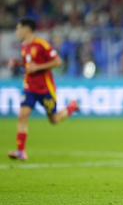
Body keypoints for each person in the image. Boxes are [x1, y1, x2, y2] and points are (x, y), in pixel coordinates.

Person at [7, 18, 79, 160]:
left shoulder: (42, 45)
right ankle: (21, 151)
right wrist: (17, 63)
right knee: (22, 117)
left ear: (26, 29)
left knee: (54, 119)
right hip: (30, 87)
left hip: (45, 89)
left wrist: (38, 67)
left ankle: (71, 107)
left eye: (18, 28)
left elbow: (58, 62)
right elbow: (29, 64)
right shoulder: (24, 46)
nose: (17, 31)